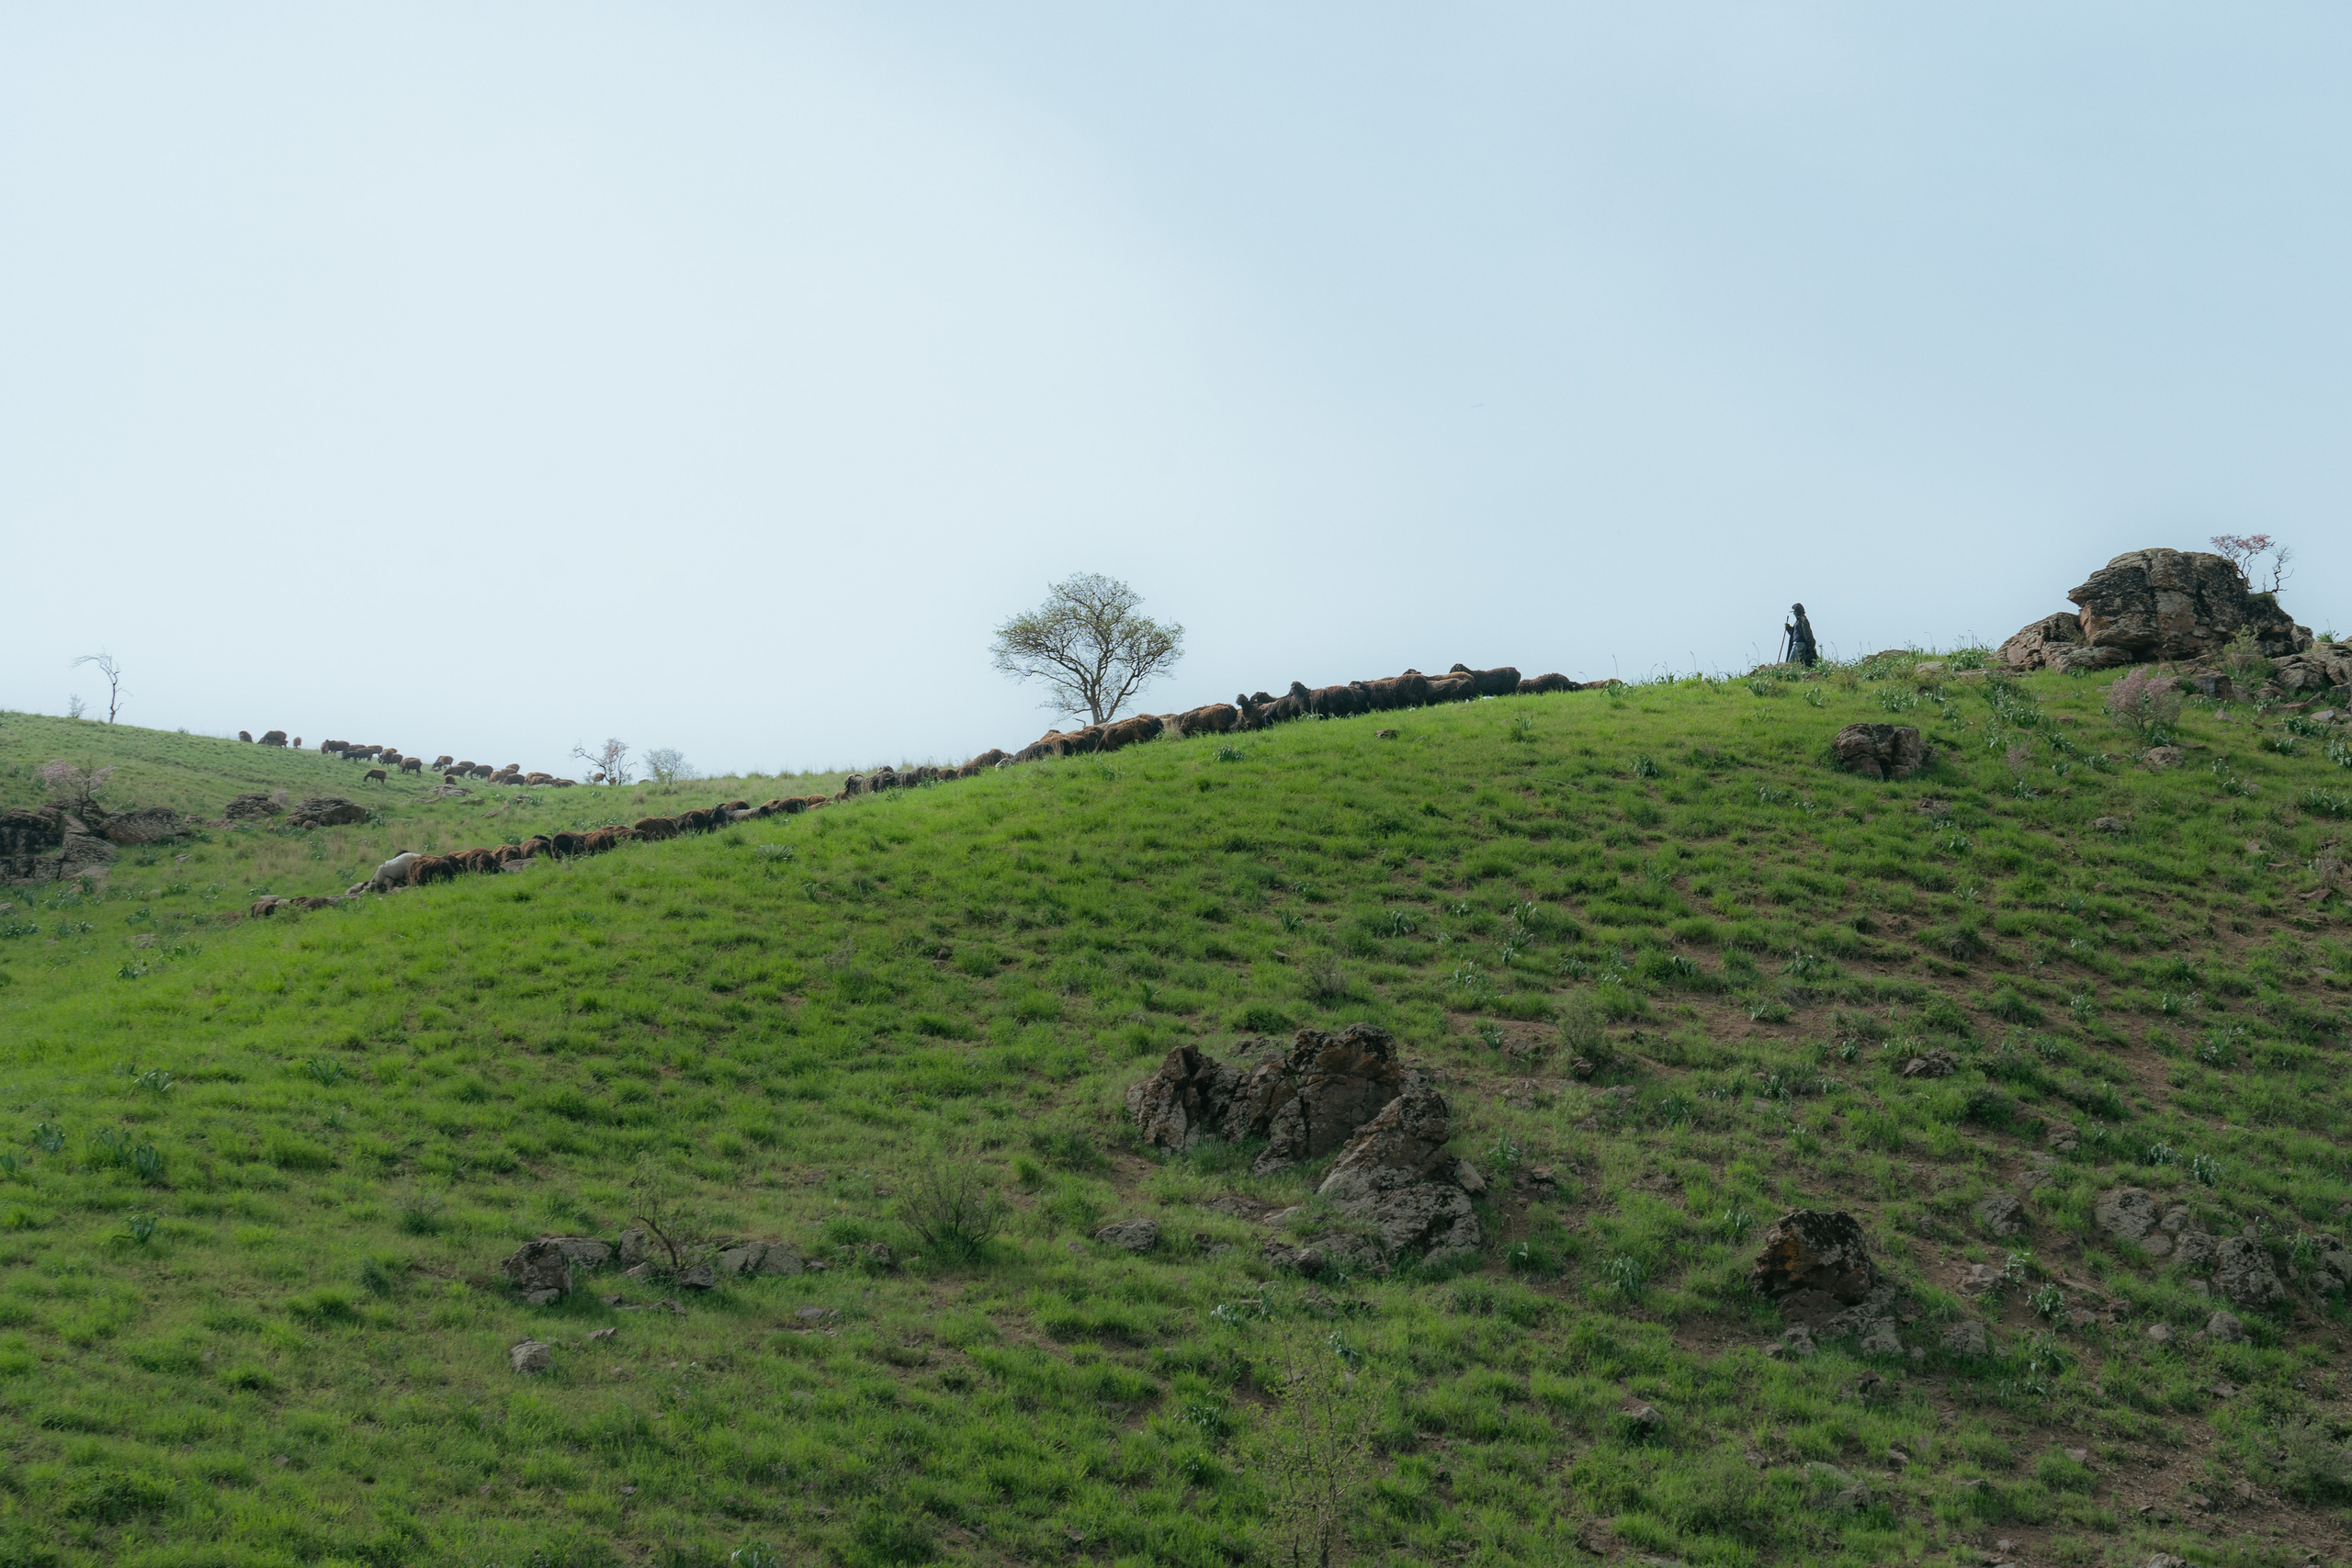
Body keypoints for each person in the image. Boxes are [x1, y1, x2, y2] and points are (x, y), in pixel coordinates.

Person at [1783, 604, 1818, 668]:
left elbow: (1806, 633)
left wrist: (1810, 644)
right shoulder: (1799, 621)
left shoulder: (1802, 620)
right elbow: (1795, 634)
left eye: (1794, 612)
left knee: (1791, 662)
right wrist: (1789, 628)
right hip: (1798, 643)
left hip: (1799, 644)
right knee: (1794, 662)